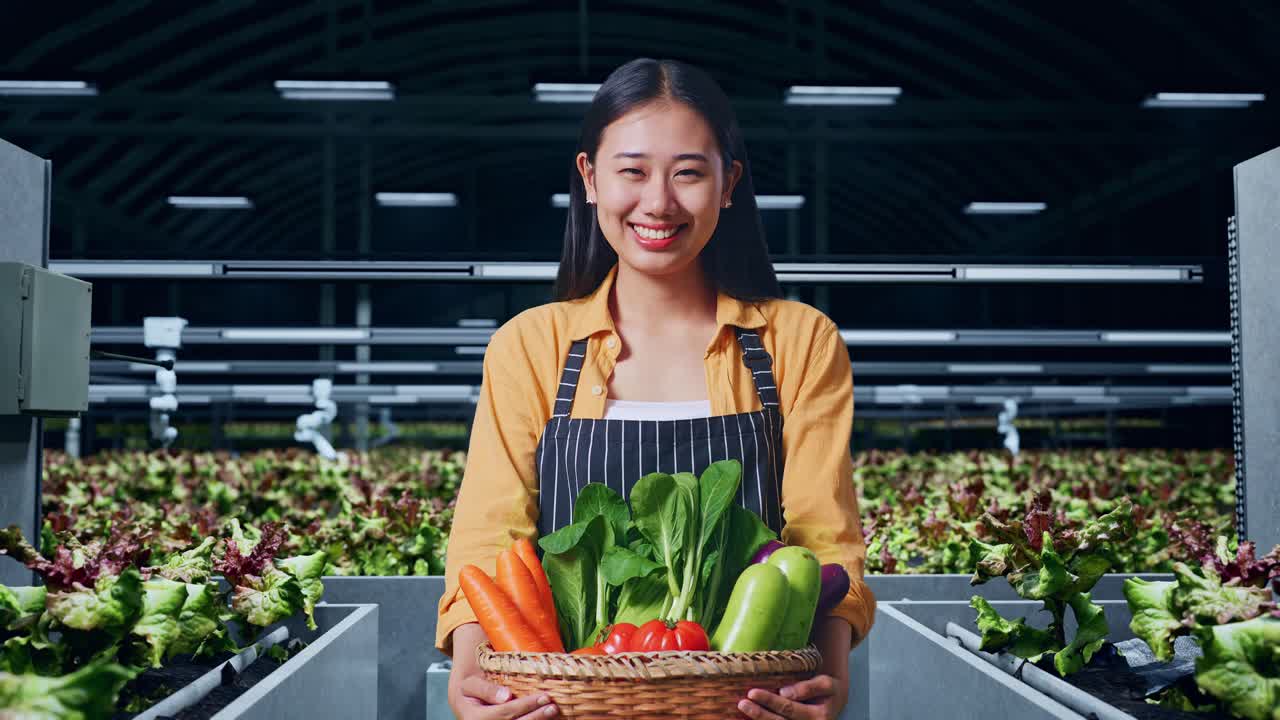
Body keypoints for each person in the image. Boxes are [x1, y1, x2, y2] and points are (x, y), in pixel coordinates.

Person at [438, 57, 876, 720]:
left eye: (689, 173)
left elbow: (824, 535)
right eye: (633, 171)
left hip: (746, 703)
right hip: (566, 701)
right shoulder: (531, 347)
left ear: (728, 183)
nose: (659, 202)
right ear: (589, 179)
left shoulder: (798, 342)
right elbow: (488, 538)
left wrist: (832, 681)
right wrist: (472, 677)